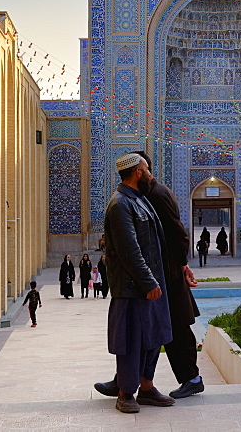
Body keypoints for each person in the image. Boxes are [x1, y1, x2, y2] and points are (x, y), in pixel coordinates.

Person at [93, 152, 174, 413]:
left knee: (153, 337)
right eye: (148, 169)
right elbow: (130, 250)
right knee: (131, 341)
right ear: (138, 172)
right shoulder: (120, 205)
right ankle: (126, 393)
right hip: (132, 288)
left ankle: (146, 387)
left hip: (150, 285)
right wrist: (148, 282)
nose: (151, 174)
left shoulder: (140, 201)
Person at [134, 151, 205, 399]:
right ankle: (130, 379)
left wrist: (182, 265)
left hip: (169, 274)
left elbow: (178, 232)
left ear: (141, 171)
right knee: (158, 328)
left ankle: (192, 378)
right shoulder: (147, 194)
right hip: (162, 272)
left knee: (177, 326)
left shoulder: (157, 194)